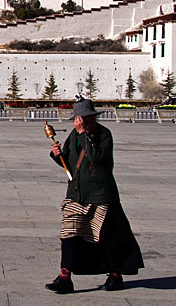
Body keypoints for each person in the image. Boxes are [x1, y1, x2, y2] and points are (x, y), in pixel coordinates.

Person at [46, 97, 143, 294]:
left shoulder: (104, 135)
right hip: (76, 195)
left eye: (86, 119)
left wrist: (83, 134)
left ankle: (115, 275)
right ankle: (65, 276)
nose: (83, 123)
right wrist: (58, 156)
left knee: (107, 238)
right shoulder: (74, 136)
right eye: (80, 119)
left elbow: (97, 157)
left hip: (101, 195)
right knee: (69, 236)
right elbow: (71, 166)